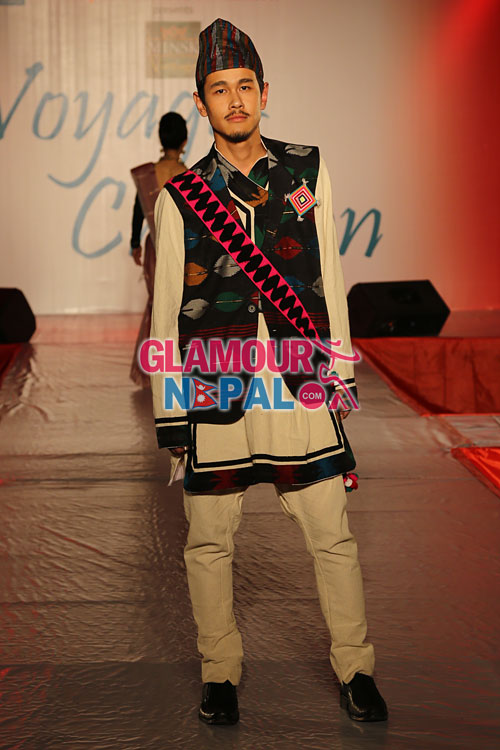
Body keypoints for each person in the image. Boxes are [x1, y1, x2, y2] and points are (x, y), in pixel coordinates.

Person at [149, 18, 388, 726]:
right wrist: (172, 417)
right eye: (220, 89)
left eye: (245, 86)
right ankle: (219, 673)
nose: (235, 99)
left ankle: (357, 669)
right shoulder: (181, 196)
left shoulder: (307, 170)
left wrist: (339, 379)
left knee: (332, 535)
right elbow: (166, 315)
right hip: (215, 385)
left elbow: (331, 278)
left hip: (297, 379)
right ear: (201, 103)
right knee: (208, 541)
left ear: (264, 93)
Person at [129, 112, 187, 388]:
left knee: (157, 303)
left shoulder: (148, 175)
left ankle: (152, 370)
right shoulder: (189, 174)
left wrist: (135, 244)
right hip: (183, 247)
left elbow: (138, 210)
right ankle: (180, 366)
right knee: (181, 304)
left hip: (155, 247)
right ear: (184, 140)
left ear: (161, 139)